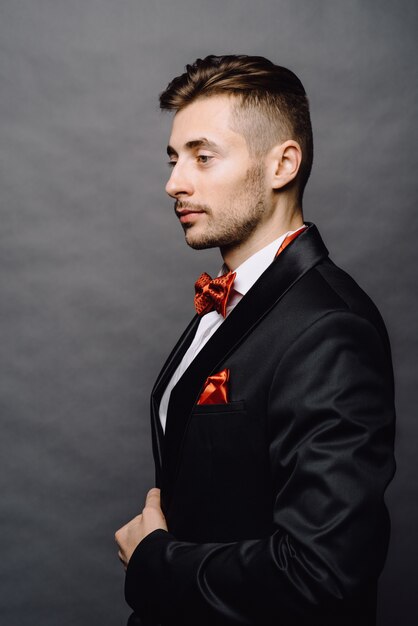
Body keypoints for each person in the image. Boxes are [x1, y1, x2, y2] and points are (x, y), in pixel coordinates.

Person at [115, 54, 396, 626]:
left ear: (282, 164)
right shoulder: (231, 298)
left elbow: (322, 575)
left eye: (202, 156)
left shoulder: (330, 329)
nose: (174, 183)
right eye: (173, 159)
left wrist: (154, 562)